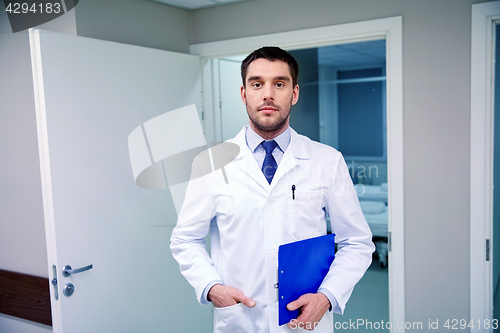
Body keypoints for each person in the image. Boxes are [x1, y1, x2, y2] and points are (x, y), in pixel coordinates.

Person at [170, 46, 375, 332]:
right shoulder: (210, 164)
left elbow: (357, 242)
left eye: (279, 84)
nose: (268, 94)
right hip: (240, 320)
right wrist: (211, 287)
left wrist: (326, 297)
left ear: (294, 93)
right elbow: (185, 240)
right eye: (257, 84)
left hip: (304, 322)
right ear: (244, 94)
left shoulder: (327, 160)